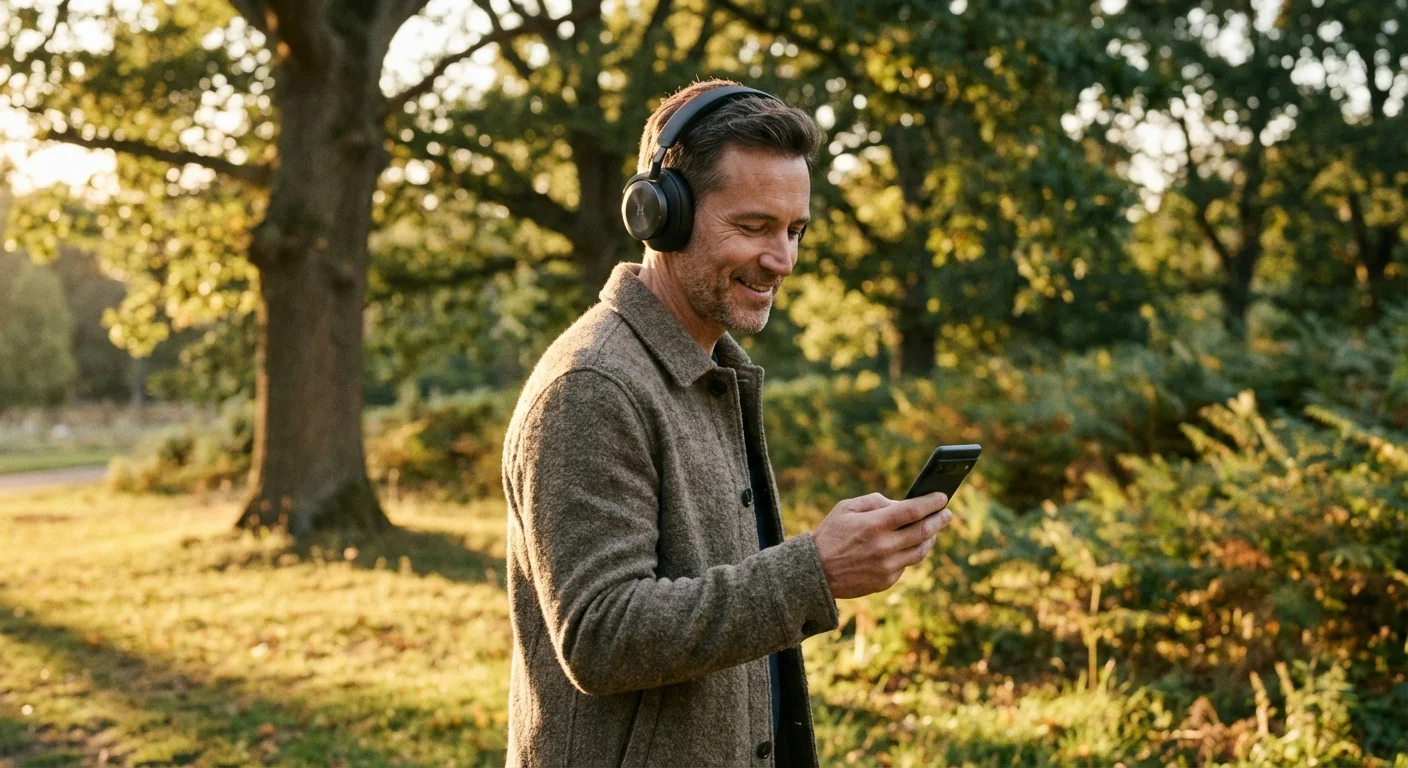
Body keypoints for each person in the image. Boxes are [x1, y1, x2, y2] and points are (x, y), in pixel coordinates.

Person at [502, 78, 954, 767]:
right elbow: (599, 635)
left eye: (795, 230)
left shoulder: (709, 372)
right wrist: (814, 570)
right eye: (753, 227)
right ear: (662, 215)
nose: (783, 260)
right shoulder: (592, 386)